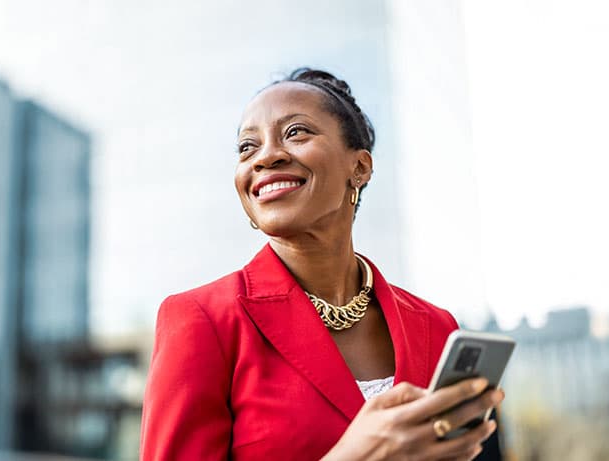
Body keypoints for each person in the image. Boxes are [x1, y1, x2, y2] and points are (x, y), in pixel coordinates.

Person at [140, 68, 505, 460]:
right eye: (247, 147)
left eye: (295, 132)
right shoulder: (201, 320)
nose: (266, 156)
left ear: (360, 168)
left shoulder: (438, 328)